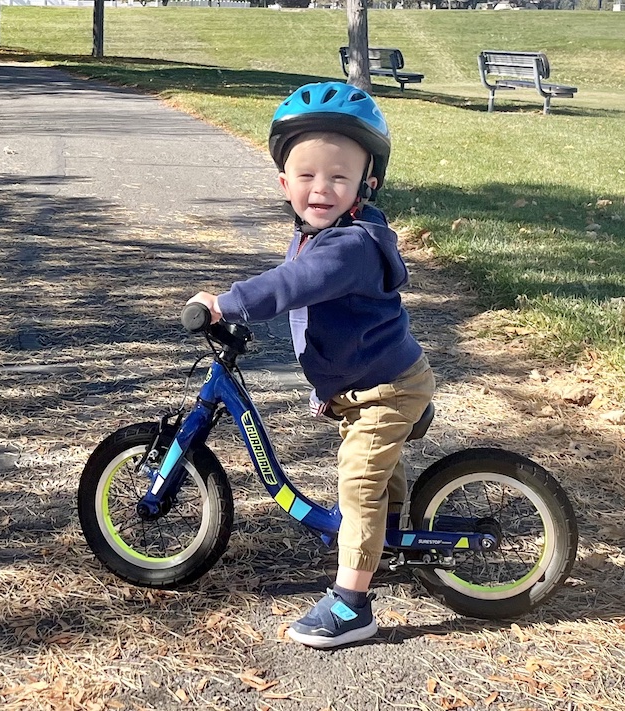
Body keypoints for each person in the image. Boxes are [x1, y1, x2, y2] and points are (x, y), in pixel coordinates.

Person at [187, 81, 435, 649]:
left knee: (358, 484)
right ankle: (389, 547)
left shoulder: (348, 247)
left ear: (365, 184)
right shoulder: (314, 234)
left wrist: (225, 301)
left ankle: (353, 604)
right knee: (380, 484)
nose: (320, 188)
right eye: (306, 176)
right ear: (284, 183)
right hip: (363, 384)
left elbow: (294, 286)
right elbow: (307, 308)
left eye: (338, 177)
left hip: (387, 389)